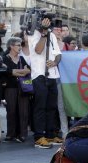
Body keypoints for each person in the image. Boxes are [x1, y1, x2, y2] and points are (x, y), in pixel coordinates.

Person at [29, 17, 63, 148]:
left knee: (51, 107)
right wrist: (43, 33)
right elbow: (38, 50)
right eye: (44, 22)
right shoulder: (33, 34)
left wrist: (55, 62)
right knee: (40, 107)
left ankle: (50, 134)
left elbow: (58, 54)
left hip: (53, 75)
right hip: (39, 75)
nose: (47, 24)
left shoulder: (53, 35)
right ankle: (38, 137)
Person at [3, 37, 31, 143]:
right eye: (18, 45)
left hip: (23, 88)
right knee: (11, 111)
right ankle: (11, 134)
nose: (20, 47)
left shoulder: (21, 58)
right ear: (11, 46)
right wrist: (21, 71)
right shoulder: (5, 58)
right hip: (10, 88)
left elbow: (28, 70)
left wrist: (16, 71)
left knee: (24, 112)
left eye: (20, 45)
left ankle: (22, 134)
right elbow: (9, 72)